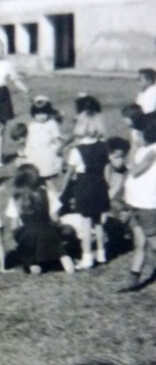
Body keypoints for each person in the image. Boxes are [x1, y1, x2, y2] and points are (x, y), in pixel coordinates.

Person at [63, 109, 110, 269]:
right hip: (100, 186)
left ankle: (87, 257)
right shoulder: (104, 146)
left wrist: (62, 191)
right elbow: (107, 168)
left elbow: (69, 174)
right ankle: (102, 253)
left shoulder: (77, 150)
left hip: (85, 188)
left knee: (86, 222)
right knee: (98, 222)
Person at [122, 117, 156, 290]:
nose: (135, 136)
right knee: (140, 242)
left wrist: (134, 147)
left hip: (147, 204)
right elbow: (128, 164)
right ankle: (134, 278)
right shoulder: (143, 149)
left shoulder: (152, 151)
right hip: (135, 202)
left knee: (153, 241)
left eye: (139, 133)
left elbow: (134, 171)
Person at [10, 185, 74, 275]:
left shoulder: (16, 197)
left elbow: (14, 226)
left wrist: (17, 235)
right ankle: (65, 260)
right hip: (46, 229)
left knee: (29, 249)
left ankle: (33, 264)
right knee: (60, 251)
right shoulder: (47, 193)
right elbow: (55, 219)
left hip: (27, 233)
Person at [24, 96, 64, 190]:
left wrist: (58, 155)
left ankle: (53, 199)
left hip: (47, 155)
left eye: (44, 113)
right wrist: (27, 153)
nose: (41, 116)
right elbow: (30, 141)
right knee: (35, 177)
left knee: (48, 178)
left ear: (49, 112)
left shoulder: (52, 124)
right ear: (34, 114)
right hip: (35, 155)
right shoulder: (32, 126)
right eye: (38, 114)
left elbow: (57, 139)